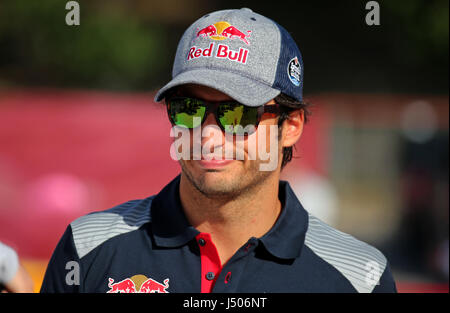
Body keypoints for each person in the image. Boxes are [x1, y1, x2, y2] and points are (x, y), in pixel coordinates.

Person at [41, 8, 396, 293]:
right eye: (188, 109)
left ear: (291, 126)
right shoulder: (87, 248)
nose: (208, 134)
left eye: (237, 112)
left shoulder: (359, 278)